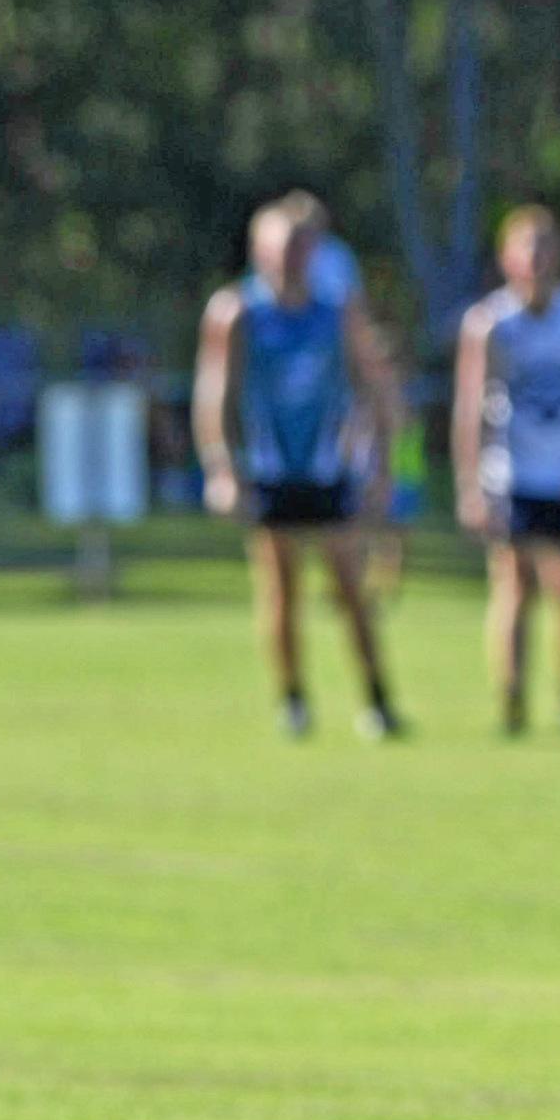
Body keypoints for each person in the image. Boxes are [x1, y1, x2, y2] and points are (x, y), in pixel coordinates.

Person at [193, 197, 403, 739]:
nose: (290, 258)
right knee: (280, 591)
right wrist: (222, 468)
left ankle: (377, 697)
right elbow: (216, 394)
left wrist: (380, 465)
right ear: (258, 250)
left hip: (328, 470)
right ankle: (293, 698)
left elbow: (372, 388)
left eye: (300, 247)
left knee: (352, 589)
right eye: (280, 247)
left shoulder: (336, 312)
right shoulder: (238, 311)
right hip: (270, 469)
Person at [451, 205, 560, 736]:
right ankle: (512, 699)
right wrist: (472, 485)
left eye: (546, 245)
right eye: (526, 246)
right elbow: (471, 408)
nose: (537, 257)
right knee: (514, 587)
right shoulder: (491, 323)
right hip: (513, 474)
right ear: (507, 257)